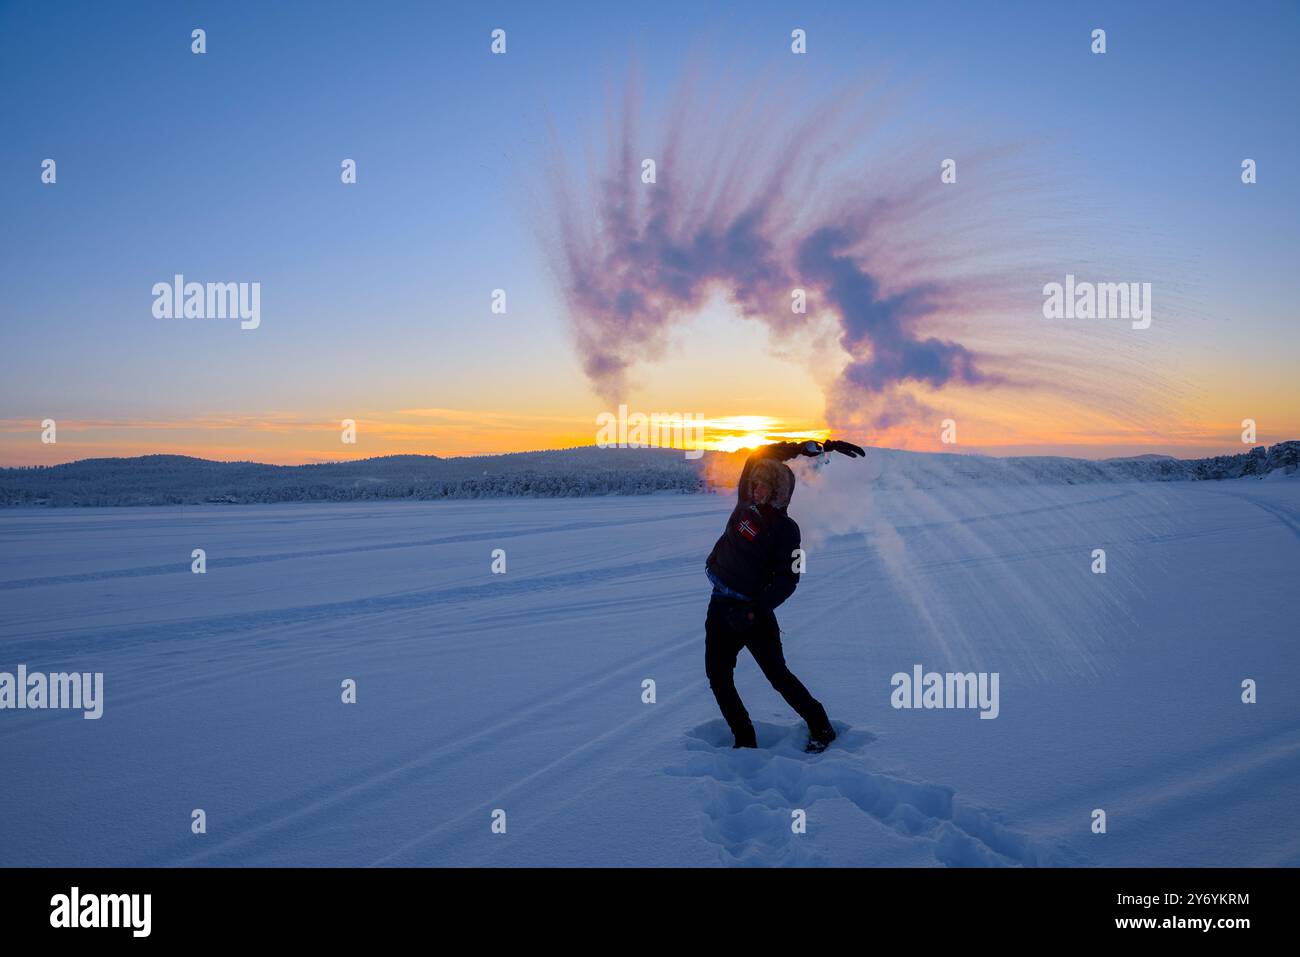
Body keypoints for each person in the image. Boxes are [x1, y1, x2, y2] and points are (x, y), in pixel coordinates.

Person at [704, 438, 866, 753]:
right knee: (718, 677)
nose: (755, 488)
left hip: (753, 616)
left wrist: (753, 611)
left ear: (778, 490)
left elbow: (789, 579)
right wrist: (816, 444)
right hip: (720, 604)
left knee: (778, 677)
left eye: (763, 485)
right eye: (754, 483)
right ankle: (744, 740)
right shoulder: (743, 505)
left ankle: (821, 726)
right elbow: (761, 454)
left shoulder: (787, 529)